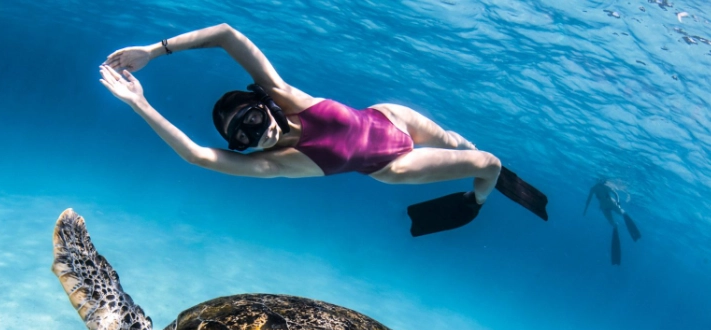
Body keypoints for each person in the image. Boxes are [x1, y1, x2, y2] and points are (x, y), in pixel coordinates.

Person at [100, 24, 546, 234]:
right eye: (243, 139)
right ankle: (475, 203)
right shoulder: (274, 165)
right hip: (395, 162)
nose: (256, 136)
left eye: (253, 121)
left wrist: (155, 51)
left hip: (390, 115)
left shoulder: (287, 95)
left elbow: (227, 35)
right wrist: (140, 103)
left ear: (264, 104)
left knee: (461, 144)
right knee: (488, 163)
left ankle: (474, 170)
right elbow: (196, 155)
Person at [585, 179, 641, 265]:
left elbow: (615, 194)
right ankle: (618, 227)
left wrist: (618, 202)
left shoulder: (601, 187)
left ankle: (623, 220)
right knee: (615, 222)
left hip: (609, 205)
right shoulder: (596, 188)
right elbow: (589, 199)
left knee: (621, 215)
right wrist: (585, 209)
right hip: (606, 206)